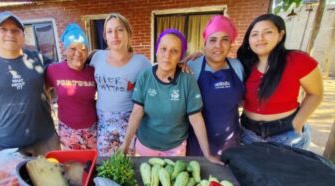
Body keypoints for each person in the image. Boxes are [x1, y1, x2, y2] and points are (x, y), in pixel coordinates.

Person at [120, 29, 222, 165]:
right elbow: (137, 113)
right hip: (146, 145)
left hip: (175, 148)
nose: (167, 55)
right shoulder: (145, 76)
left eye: (174, 51)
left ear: (180, 56)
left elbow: (196, 119)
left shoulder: (187, 80)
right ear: (156, 51)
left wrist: (207, 154)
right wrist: (125, 145)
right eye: (163, 49)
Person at [0, 11, 60, 156]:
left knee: (56, 177)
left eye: (15, 30)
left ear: (23, 35)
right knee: (16, 180)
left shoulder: (37, 59)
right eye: (3, 29)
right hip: (8, 147)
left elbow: (62, 73)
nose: (10, 34)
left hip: (46, 142)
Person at [237, 14, 323, 149]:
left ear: (281, 35)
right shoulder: (243, 64)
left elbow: (315, 94)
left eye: (268, 32)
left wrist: (297, 124)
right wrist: (198, 58)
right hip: (248, 134)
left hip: (287, 134)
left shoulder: (298, 60)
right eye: (254, 34)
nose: (260, 38)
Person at [89, 13, 150, 156]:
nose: (114, 35)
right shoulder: (96, 57)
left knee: (128, 167)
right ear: (105, 36)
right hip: (103, 125)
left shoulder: (141, 62)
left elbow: (161, 76)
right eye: (109, 31)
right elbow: (75, 65)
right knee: (106, 166)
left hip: (129, 125)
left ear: (128, 33)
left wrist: (182, 64)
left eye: (120, 30)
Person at [187, 15, 245, 156]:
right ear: (205, 44)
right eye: (212, 40)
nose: (218, 45)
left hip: (230, 143)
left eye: (225, 39)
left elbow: (243, 100)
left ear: (231, 43)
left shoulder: (237, 66)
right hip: (197, 144)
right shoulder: (191, 66)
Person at [45, 23, 97, 150]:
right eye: (73, 48)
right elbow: (44, 91)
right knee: (72, 165)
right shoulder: (54, 70)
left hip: (92, 130)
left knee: (92, 165)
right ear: (65, 50)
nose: (78, 53)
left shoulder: (93, 71)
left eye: (83, 49)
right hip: (67, 130)